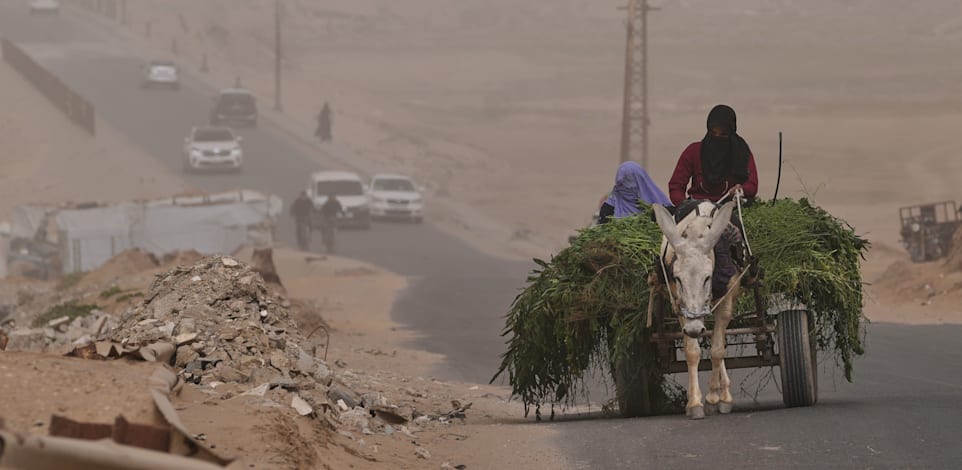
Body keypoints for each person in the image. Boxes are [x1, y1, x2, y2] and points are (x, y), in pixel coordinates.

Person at [667, 104, 759, 299]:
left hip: (724, 209)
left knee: (736, 233)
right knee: (670, 238)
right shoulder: (693, 152)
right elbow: (676, 185)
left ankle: (743, 271)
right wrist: (684, 205)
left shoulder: (742, 153)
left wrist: (740, 189)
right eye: (713, 133)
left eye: (723, 134)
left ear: (732, 132)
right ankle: (664, 272)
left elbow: (752, 184)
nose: (717, 138)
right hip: (693, 209)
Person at [598, 161, 671, 224]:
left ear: (640, 182)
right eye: (621, 184)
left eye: (629, 182)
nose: (625, 187)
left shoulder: (659, 207)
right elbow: (602, 229)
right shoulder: (609, 208)